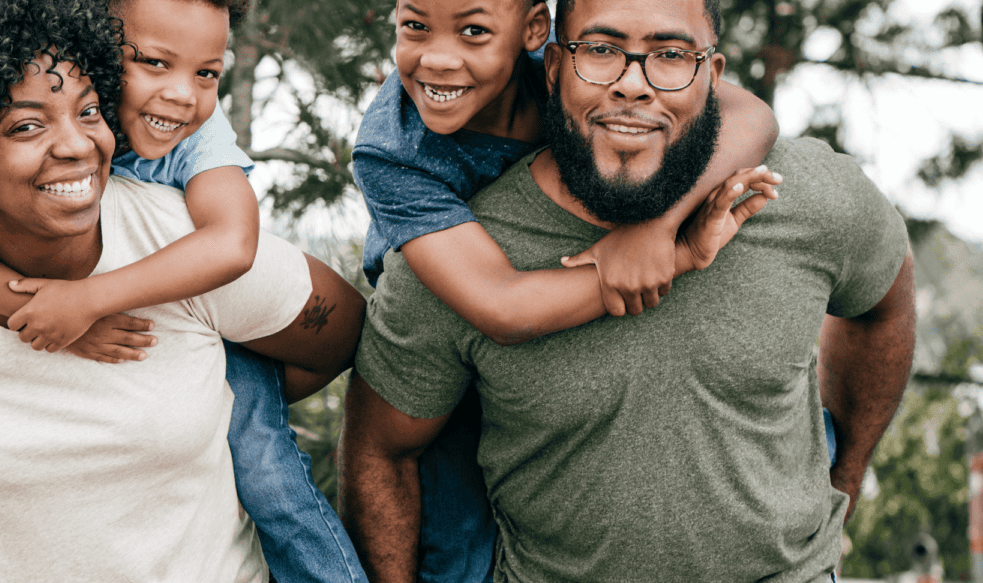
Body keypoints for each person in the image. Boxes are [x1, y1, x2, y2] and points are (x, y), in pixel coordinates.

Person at [339, 0, 915, 580]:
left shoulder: (799, 191)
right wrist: (669, 255)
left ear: (712, 76)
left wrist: (842, 484)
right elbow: (381, 449)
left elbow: (885, 301)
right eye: (602, 50)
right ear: (555, 66)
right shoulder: (445, 244)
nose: (633, 84)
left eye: (669, 55)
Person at [0, 0, 368, 581]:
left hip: (207, 316)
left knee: (270, 468)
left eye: (89, 110)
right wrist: (35, 314)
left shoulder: (183, 195)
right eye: (26, 125)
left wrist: (97, 308)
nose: (75, 144)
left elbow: (249, 261)